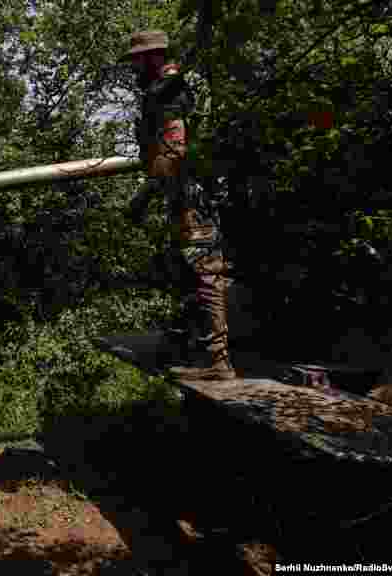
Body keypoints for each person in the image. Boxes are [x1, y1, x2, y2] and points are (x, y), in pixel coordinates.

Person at [122, 30, 236, 380]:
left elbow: (175, 150)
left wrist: (143, 197)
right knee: (188, 273)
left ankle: (219, 362)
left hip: (191, 198)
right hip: (185, 196)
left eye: (137, 60)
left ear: (152, 56)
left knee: (205, 274)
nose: (134, 67)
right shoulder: (176, 88)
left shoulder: (169, 92)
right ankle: (194, 352)